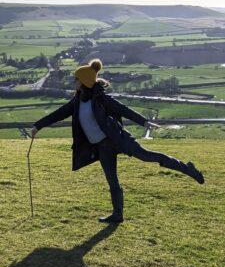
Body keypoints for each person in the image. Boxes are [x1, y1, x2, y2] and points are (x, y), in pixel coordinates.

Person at [31, 58, 204, 224]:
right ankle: (117, 214)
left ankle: (187, 168)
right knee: (112, 180)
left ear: (84, 81)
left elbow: (123, 109)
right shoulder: (77, 101)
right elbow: (58, 114)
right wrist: (38, 126)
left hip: (117, 139)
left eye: (76, 79)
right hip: (102, 147)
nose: (73, 82)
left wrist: (144, 121)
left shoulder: (101, 98)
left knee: (147, 156)